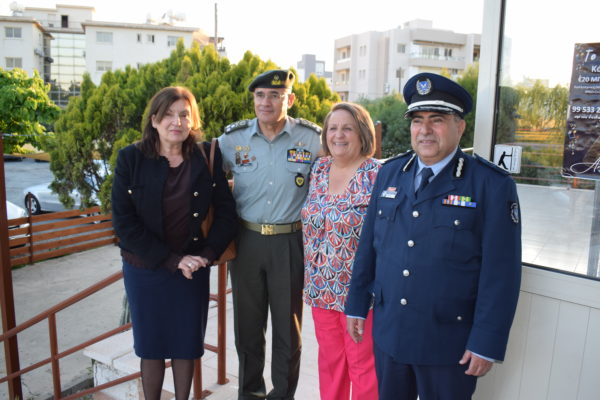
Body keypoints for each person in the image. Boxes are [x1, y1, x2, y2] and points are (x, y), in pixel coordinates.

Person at [345, 73, 522, 400]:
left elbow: (501, 273)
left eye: (437, 120)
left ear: (460, 127)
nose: (424, 129)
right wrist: (356, 304)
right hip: (391, 333)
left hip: (448, 343)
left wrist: (486, 342)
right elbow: (369, 246)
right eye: (418, 120)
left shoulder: (490, 185)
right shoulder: (390, 173)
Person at [111, 86, 238, 399]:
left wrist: (205, 255)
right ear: (154, 120)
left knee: (186, 345)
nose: (176, 122)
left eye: (184, 114)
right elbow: (124, 223)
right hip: (146, 269)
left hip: (191, 270)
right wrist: (172, 260)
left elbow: (226, 213)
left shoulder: (206, 157)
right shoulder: (130, 158)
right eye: (168, 114)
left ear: (193, 120)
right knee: (151, 347)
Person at [218, 69, 322, 400]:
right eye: (260, 95)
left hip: (289, 242)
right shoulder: (232, 140)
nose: (266, 102)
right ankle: (250, 394)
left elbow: (341, 167)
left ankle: (282, 395)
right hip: (246, 241)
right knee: (248, 327)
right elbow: (203, 177)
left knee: (288, 330)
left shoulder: (312, 138)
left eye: (275, 95)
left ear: (290, 100)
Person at [301, 102, 380, 400]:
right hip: (321, 290)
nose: (338, 135)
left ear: (362, 134)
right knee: (331, 365)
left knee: (363, 369)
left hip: (359, 295)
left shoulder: (377, 175)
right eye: (332, 128)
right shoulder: (319, 169)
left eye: (347, 128)